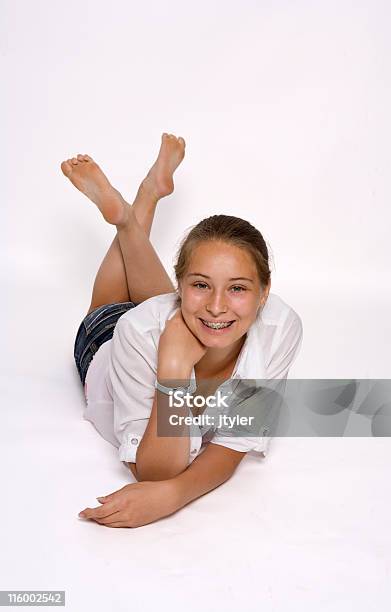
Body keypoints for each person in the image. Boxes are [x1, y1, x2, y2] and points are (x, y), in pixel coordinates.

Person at [61, 133, 303, 529]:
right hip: (107, 343)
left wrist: (174, 497)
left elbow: (233, 442)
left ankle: (139, 205)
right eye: (200, 284)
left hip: (176, 316)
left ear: (265, 292)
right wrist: (172, 370)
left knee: (203, 316)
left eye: (238, 287)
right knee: (107, 302)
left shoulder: (281, 326)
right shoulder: (136, 331)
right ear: (180, 284)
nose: (219, 303)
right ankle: (130, 214)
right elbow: (154, 471)